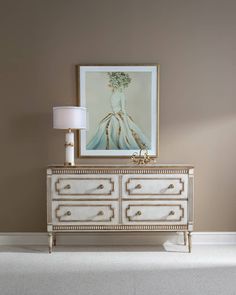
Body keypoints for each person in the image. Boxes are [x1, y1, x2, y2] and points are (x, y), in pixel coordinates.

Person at [87, 72, 150, 150]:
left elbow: (115, 107)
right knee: (125, 133)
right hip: (119, 116)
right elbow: (123, 109)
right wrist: (126, 120)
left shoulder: (113, 94)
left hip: (114, 116)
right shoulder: (121, 94)